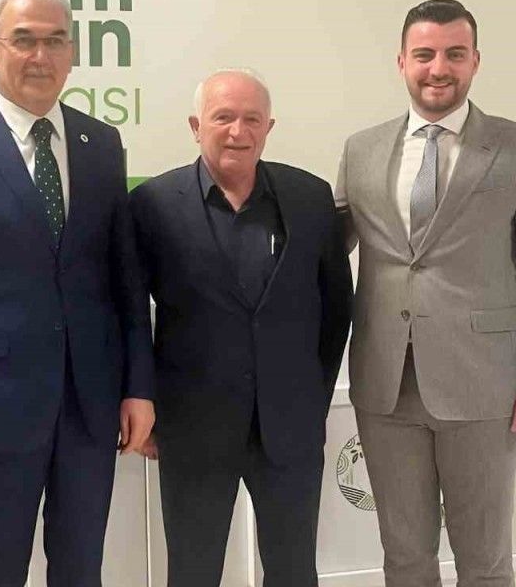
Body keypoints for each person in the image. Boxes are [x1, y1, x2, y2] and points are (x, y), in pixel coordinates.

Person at [0, 0, 155, 586]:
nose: (40, 56)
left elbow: (125, 279)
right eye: (23, 40)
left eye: (55, 41)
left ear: (72, 53)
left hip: (91, 406)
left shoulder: (102, 145)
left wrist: (138, 387)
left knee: (82, 570)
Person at [334, 0, 516, 587]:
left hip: (482, 386)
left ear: (475, 61)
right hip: (386, 385)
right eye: (424, 54)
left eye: (454, 54)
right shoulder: (362, 150)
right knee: (404, 558)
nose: (438, 68)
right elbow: (325, 248)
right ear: (402, 62)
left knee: (485, 560)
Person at [130, 68, 352, 587]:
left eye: (252, 119)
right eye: (223, 117)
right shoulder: (152, 205)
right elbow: (132, 315)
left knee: (294, 572)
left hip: (290, 428)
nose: (238, 131)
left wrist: (311, 399)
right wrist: (145, 404)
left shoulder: (310, 197)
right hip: (192, 428)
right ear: (195, 126)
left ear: (268, 127)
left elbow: (336, 308)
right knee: (193, 573)